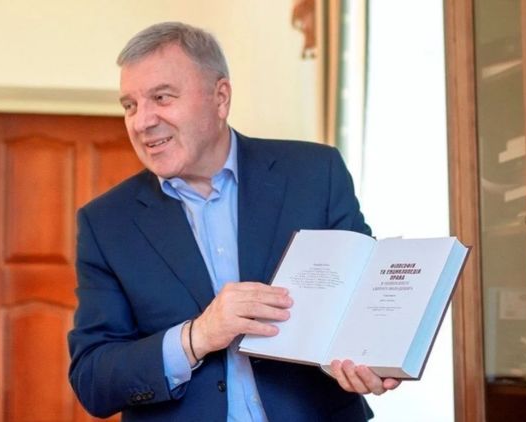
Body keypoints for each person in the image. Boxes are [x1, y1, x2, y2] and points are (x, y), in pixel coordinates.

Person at [68, 21, 400, 421]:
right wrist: (198, 336)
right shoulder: (106, 223)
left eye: (161, 97)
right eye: (130, 105)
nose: (141, 122)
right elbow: (93, 379)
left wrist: (373, 358)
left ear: (220, 97)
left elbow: (364, 303)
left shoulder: (315, 172)